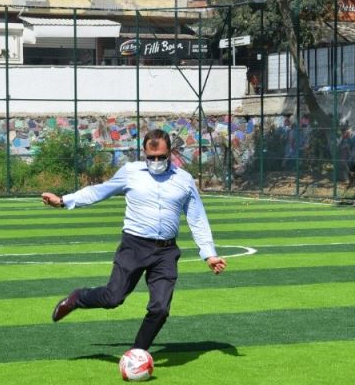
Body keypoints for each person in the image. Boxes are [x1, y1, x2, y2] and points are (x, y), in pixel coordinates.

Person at [41, 129, 227, 351]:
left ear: (170, 153)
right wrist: (63, 200)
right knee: (113, 298)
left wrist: (209, 254)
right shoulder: (131, 172)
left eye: (161, 157)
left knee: (160, 309)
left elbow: (197, 218)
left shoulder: (184, 180)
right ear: (144, 153)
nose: (156, 162)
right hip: (134, 246)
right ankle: (78, 298)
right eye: (151, 157)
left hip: (166, 252)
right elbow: (100, 191)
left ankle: (137, 354)